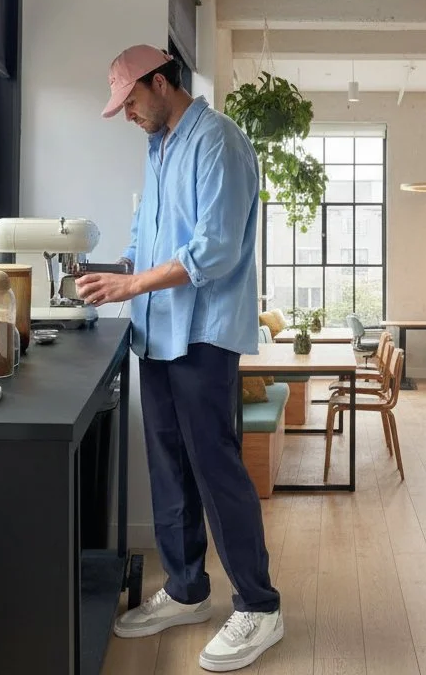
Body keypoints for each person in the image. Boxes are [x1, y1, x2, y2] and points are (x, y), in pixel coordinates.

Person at [76, 44, 282, 672]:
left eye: (132, 102)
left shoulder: (218, 140)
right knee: (168, 467)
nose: (129, 115)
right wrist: (109, 273)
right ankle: (188, 588)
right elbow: (146, 242)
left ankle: (259, 606)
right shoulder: (159, 149)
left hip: (204, 335)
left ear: (159, 83)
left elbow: (214, 250)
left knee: (216, 468)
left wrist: (130, 286)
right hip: (156, 332)